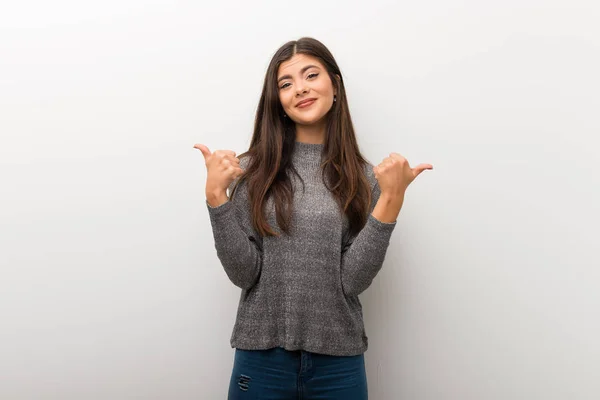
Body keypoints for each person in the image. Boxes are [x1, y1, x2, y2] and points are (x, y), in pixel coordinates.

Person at [194, 37, 432, 399]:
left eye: (310, 75)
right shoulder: (249, 172)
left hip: (339, 363)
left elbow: (352, 281)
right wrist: (216, 199)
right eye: (286, 84)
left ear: (334, 85)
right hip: (261, 358)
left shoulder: (366, 179)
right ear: (278, 102)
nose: (300, 89)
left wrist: (391, 201)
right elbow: (243, 274)